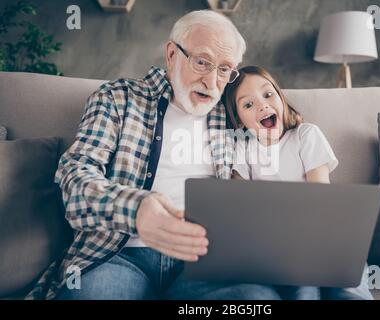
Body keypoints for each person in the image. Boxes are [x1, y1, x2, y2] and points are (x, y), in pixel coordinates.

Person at [26, 11, 282, 300]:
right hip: (118, 255)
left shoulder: (234, 111)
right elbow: (75, 180)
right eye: (202, 62)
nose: (212, 81)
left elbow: (280, 144)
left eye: (224, 69)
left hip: (204, 262)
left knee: (256, 300)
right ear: (172, 54)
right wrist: (137, 210)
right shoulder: (118, 98)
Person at [224, 65, 373, 300]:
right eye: (248, 104)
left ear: (280, 98)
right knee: (303, 291)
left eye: (267, 94)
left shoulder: (305, 135)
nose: (262, 105)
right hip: (274, 246)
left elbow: (321, 196)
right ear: (240, 122)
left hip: (321, 231)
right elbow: (238, 201)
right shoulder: (243, 147)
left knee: (348, 287)